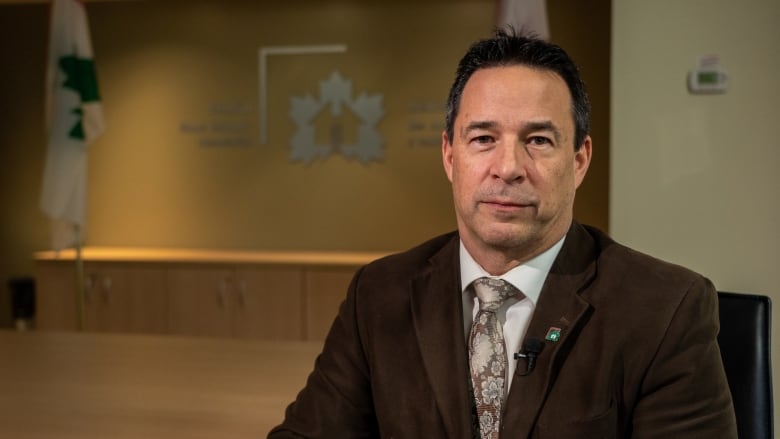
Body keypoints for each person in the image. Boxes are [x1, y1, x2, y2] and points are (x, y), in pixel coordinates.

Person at [268, 29, 737, 438]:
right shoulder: (378, 295)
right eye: (483, 138)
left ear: (579, 160)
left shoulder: (665, 309)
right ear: (451, 156)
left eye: (538, 140)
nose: (508, 167)